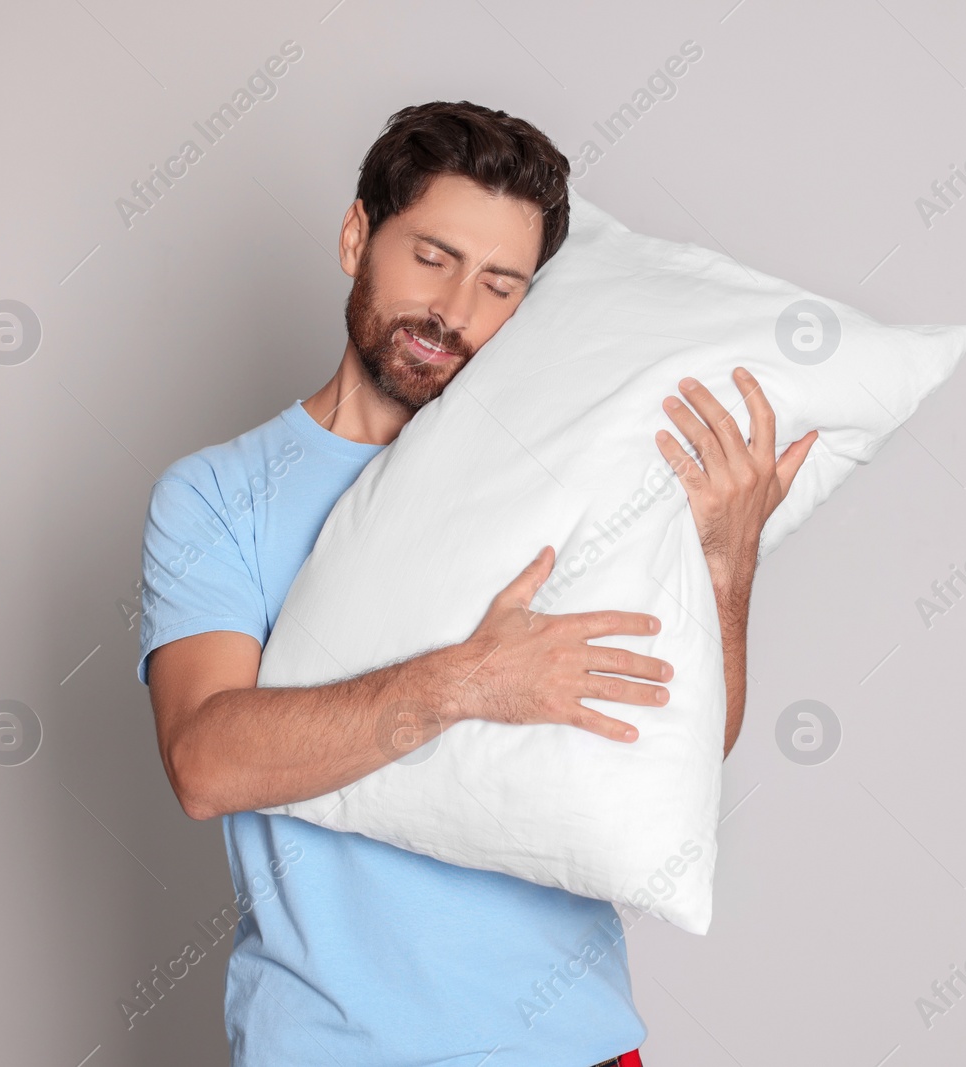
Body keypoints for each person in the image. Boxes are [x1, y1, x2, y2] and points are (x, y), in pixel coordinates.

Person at [139, 100, 816, 1067]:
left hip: (574, 1048)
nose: (455, 313)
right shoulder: (217, 495)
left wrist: (725, 564)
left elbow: (675, 744)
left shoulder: (566, 482)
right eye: (432, 257)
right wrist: (466, 683)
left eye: (500, 284)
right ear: (357, 236)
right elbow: (205, 764)